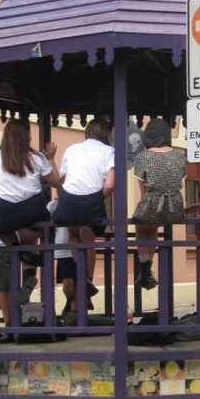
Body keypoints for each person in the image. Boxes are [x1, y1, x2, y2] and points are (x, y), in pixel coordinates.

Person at [0, 119, 60, 293]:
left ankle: (14, 246)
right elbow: (56, 182)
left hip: (5, 211)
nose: (30, 137)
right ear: (25, 136)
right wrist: (50, 157)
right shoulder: (37, 158)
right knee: (31, 239)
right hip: (32, 210)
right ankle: (29, 276)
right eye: (29, 134)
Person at [52, 119, 115, 300]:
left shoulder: (72, 149)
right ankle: (87, 278)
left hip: (67, 202)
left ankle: (79, 271)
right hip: (92, 203)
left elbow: (65, 179)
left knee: (74, 234)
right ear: (106, 134)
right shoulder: (109, 151)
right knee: (89, 240)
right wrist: (95, 199)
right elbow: (110, 185)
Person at [132, 118, 187, 289]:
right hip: (175, 207)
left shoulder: (142, 157)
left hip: (152, 203)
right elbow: (180, 182)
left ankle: (146, 270)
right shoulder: (180, 156)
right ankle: (148, 271)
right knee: (154, 225)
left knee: (142, 227)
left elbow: (143, 193)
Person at [47, 196, 79, 316]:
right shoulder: (54, 204)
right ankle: (70, 304)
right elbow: (44, 220)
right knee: (68, 283)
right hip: (63, 249)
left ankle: (73, 309)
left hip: (78, 248)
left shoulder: (81, 201)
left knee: (79, 280)